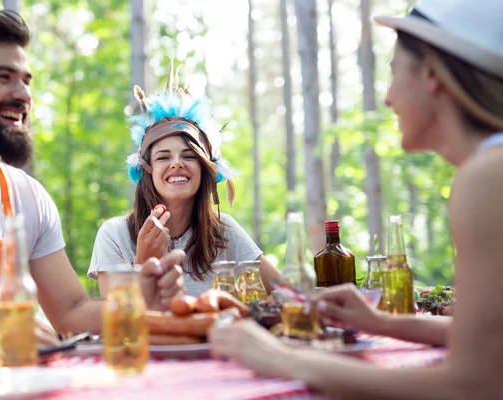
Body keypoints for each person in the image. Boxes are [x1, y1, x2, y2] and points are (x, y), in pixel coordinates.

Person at [210, 0, 503, 398]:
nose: (387, 98)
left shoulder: (486, 178)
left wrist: (283, 359)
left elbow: (475, 385)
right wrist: (381, 321)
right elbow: (485, 343)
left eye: (394, 73)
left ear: (432, 74)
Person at [0, 10, 185, 357]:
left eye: (26, 80)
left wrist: (138, 298)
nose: (23, 94)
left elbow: (71, 312)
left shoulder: (28, 196)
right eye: (3, 77)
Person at [88, 63, 281, 298]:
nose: (177, 163)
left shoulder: (225, 231)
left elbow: (285, 292)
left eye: (189, 156)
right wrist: (143, 262)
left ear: (205, 168)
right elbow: (117, 318)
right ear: (146, 170)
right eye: (163, 157)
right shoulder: (114, 235)